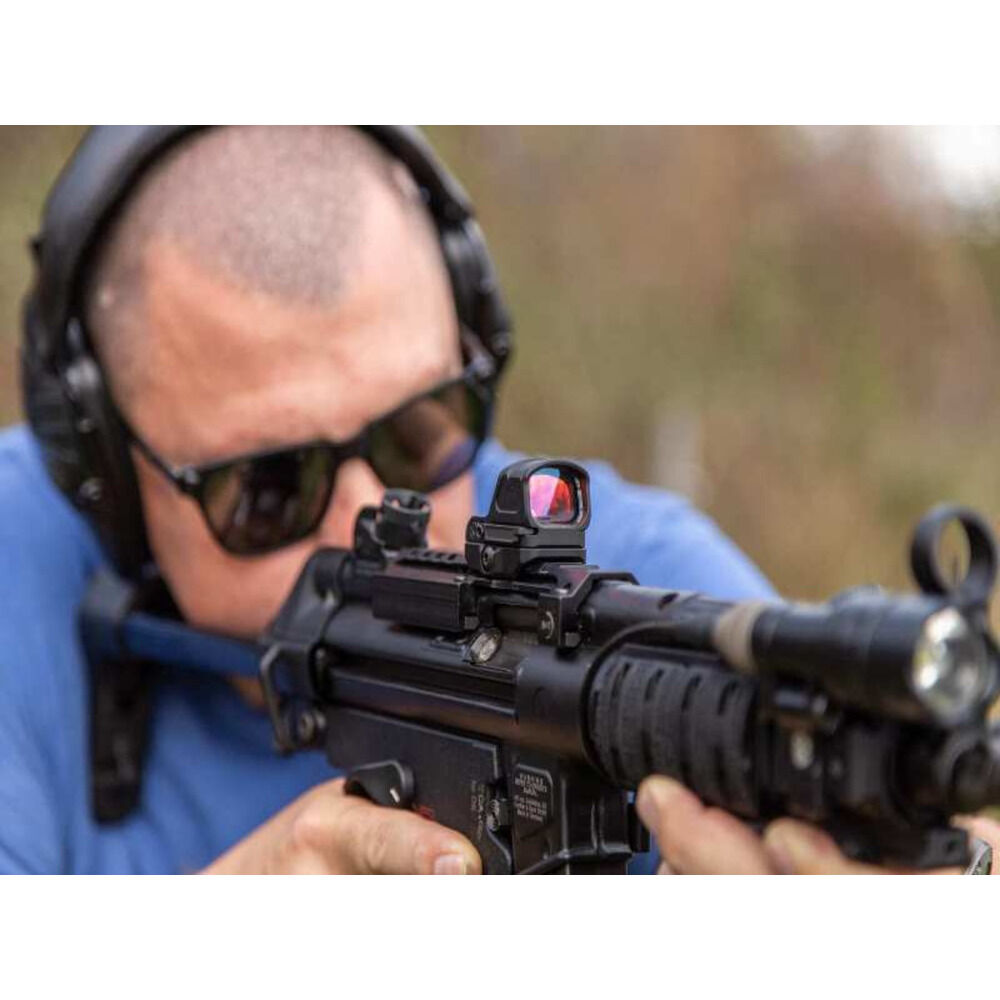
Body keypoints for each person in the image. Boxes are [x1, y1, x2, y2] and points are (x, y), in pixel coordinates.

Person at [2, 126, 996, 874]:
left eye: (417, 431)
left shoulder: (636, 588)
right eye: (268, 484)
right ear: (102, 471)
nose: (367, 512)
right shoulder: (21, 560)